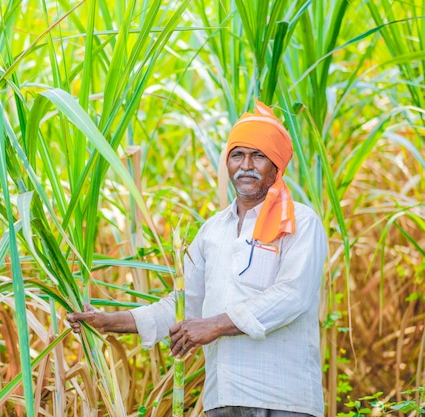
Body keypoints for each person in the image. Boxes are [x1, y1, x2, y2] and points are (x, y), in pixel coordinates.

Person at [67, 100, 328, 417]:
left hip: (285, 399)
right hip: (223, 399)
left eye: (258, 155)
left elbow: (292, 296)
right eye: (237, 155)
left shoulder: (301, 222)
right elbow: (180, 306)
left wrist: (215, 326)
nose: (246, 164)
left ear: (276, 164)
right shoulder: (213, 231)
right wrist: (108, 322)